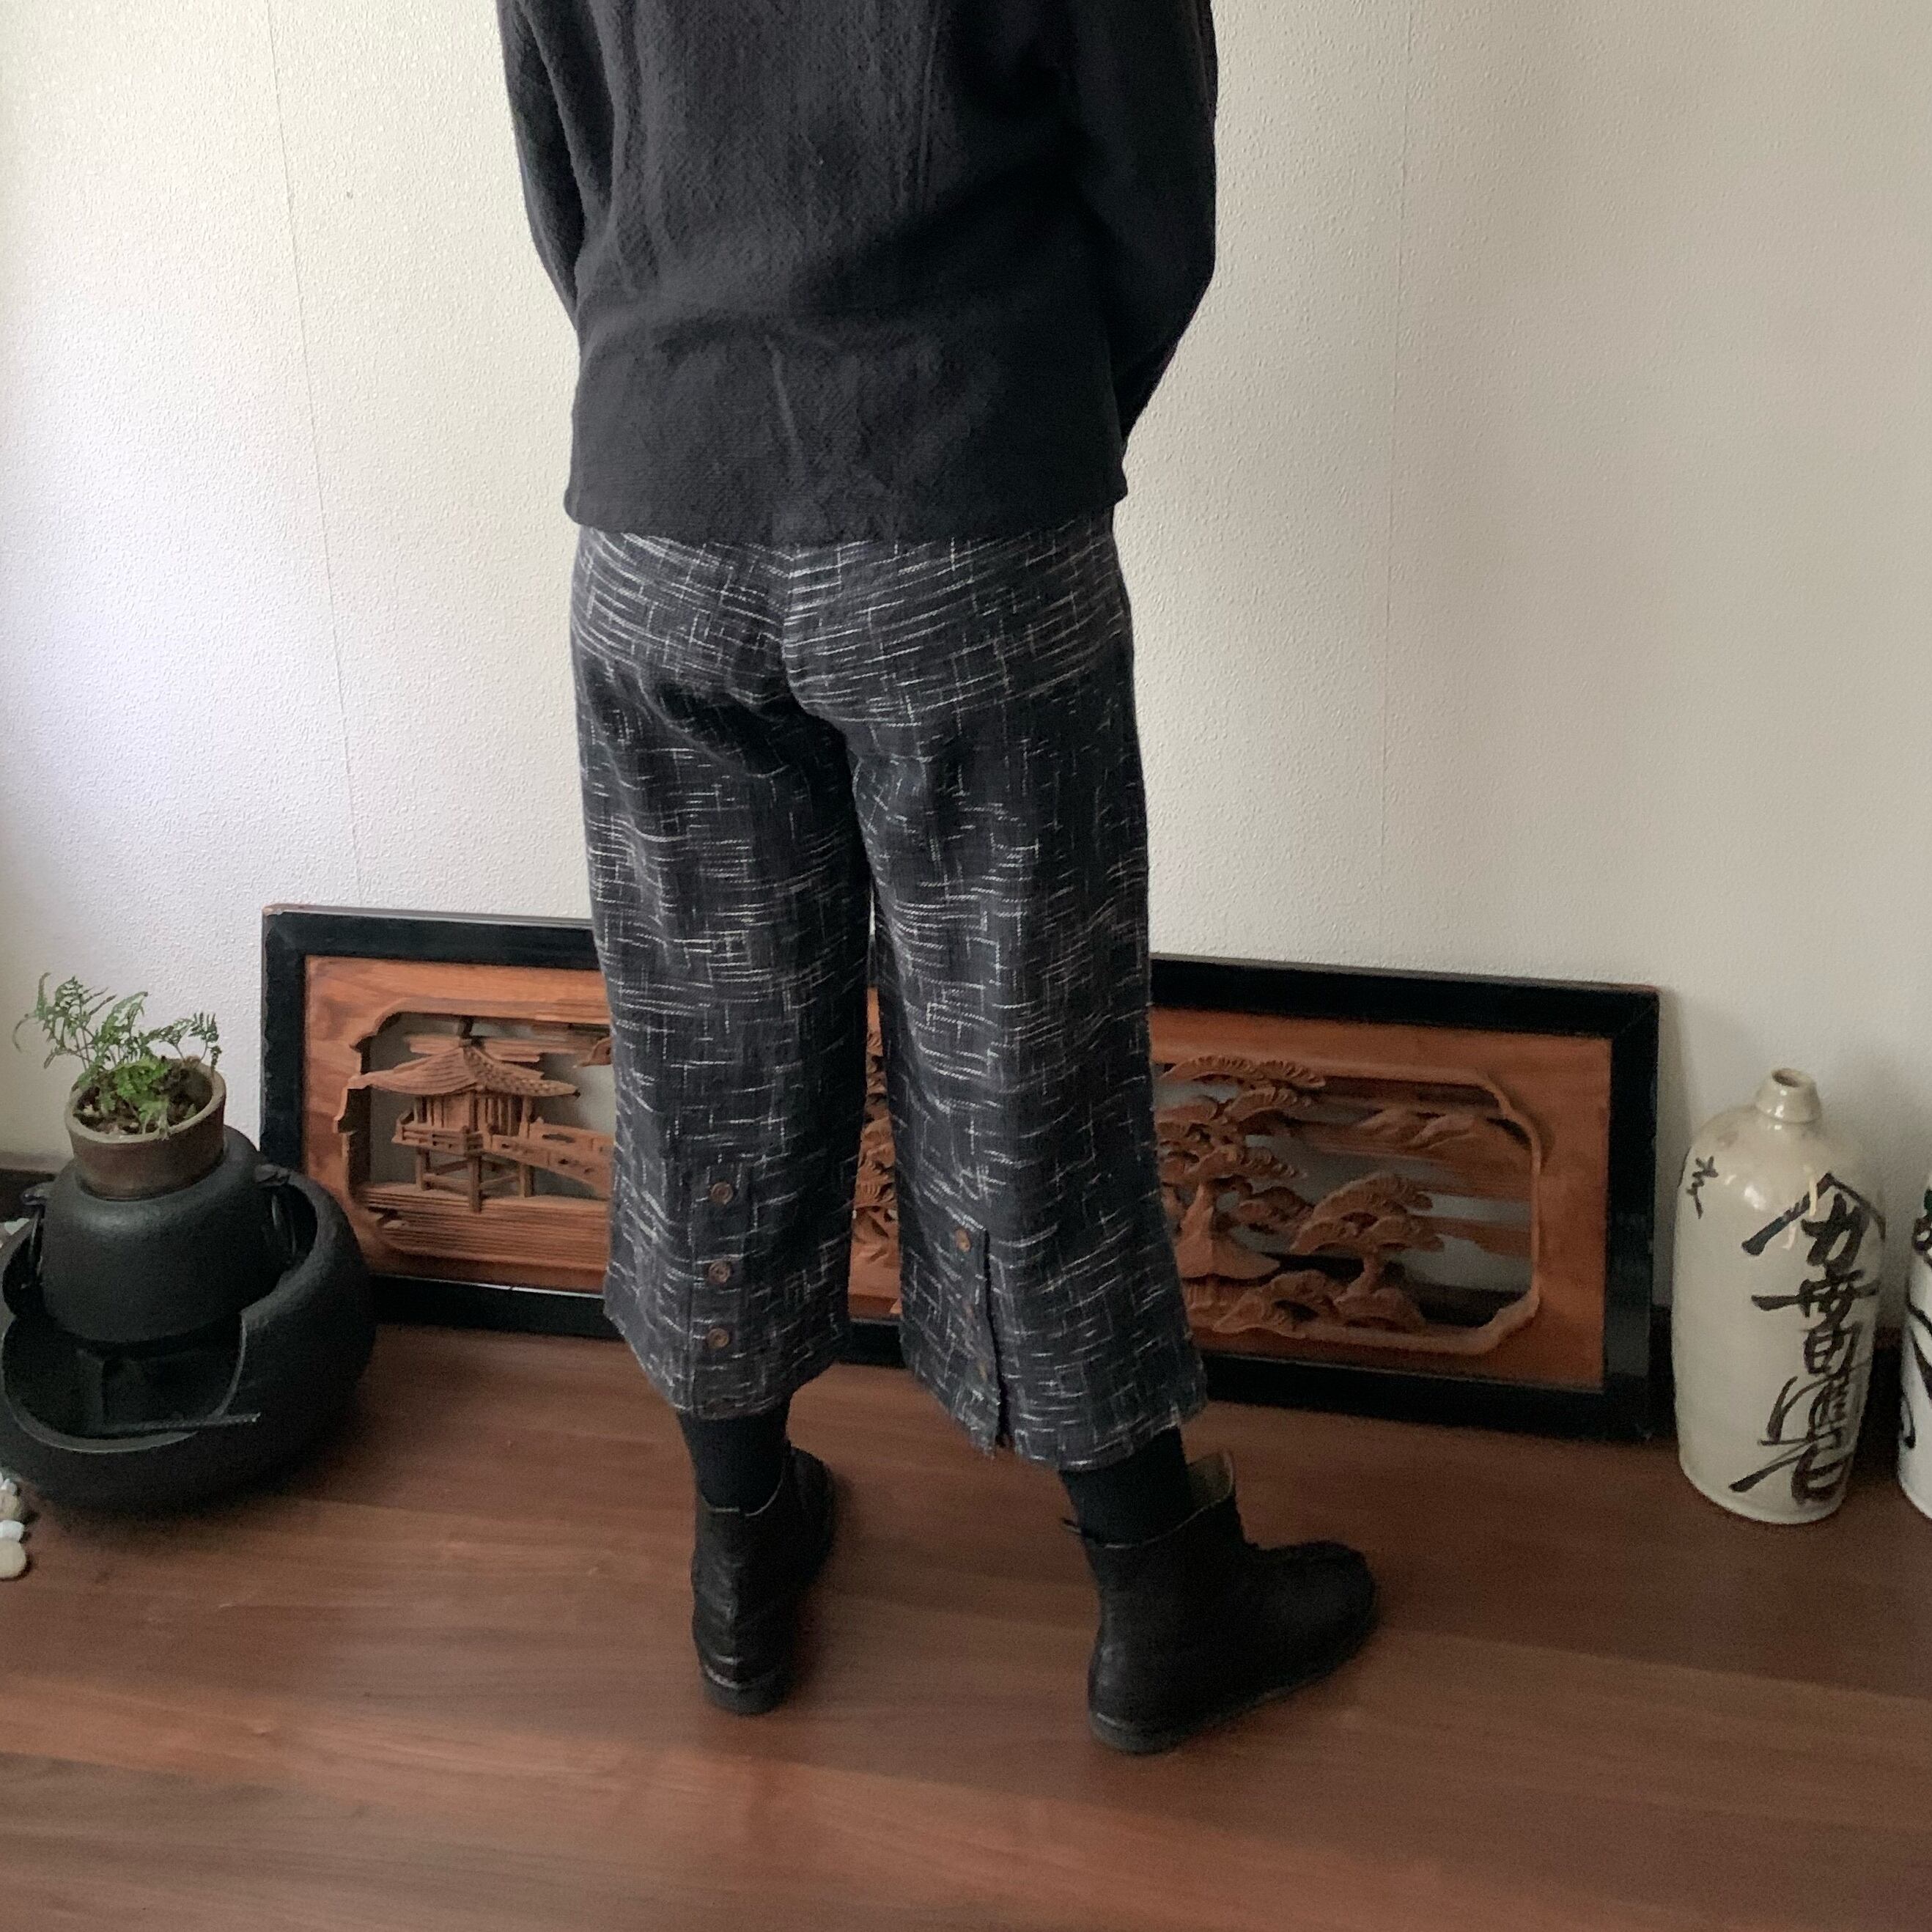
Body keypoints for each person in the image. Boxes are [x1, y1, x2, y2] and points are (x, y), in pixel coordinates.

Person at [493, 0, 1376, 1753]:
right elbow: (1152, 189)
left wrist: (677, 378)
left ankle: (741, 1553)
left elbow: (565, 159)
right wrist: (1018, 418)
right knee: (1025, 1057)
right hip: (962, 486)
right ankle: (1159, 1591)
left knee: (705, 1058)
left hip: (661, 500)